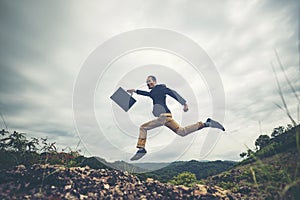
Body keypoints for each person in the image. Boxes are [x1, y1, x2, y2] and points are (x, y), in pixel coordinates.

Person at [127, 75, 225, 160]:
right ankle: (206, 123)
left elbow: (172, 93)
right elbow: (147, 93)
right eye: (147, 82)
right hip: (166, 118)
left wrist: (184, 103)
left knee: (143, 127)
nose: (148, 83)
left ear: (155, 81)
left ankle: (141, 148)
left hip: (163, 116)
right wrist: (135, 91)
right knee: (182, 132)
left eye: (149, 81)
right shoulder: (153, 93)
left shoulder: (160, 88)